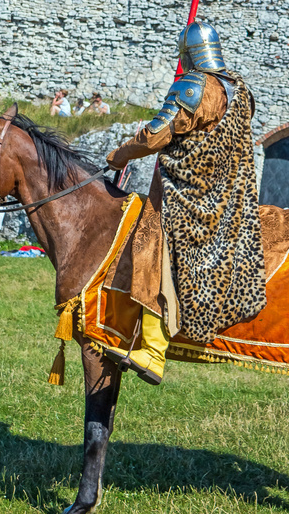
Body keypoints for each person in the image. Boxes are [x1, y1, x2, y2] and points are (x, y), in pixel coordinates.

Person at [105, 20, 266, 386]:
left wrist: (121, 154)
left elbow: (156, 136)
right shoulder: (240, 89)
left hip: (187, 191)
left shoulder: (193, 85)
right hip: (228, 193)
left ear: (188, 54)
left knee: (148, 242)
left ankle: (151, 349)